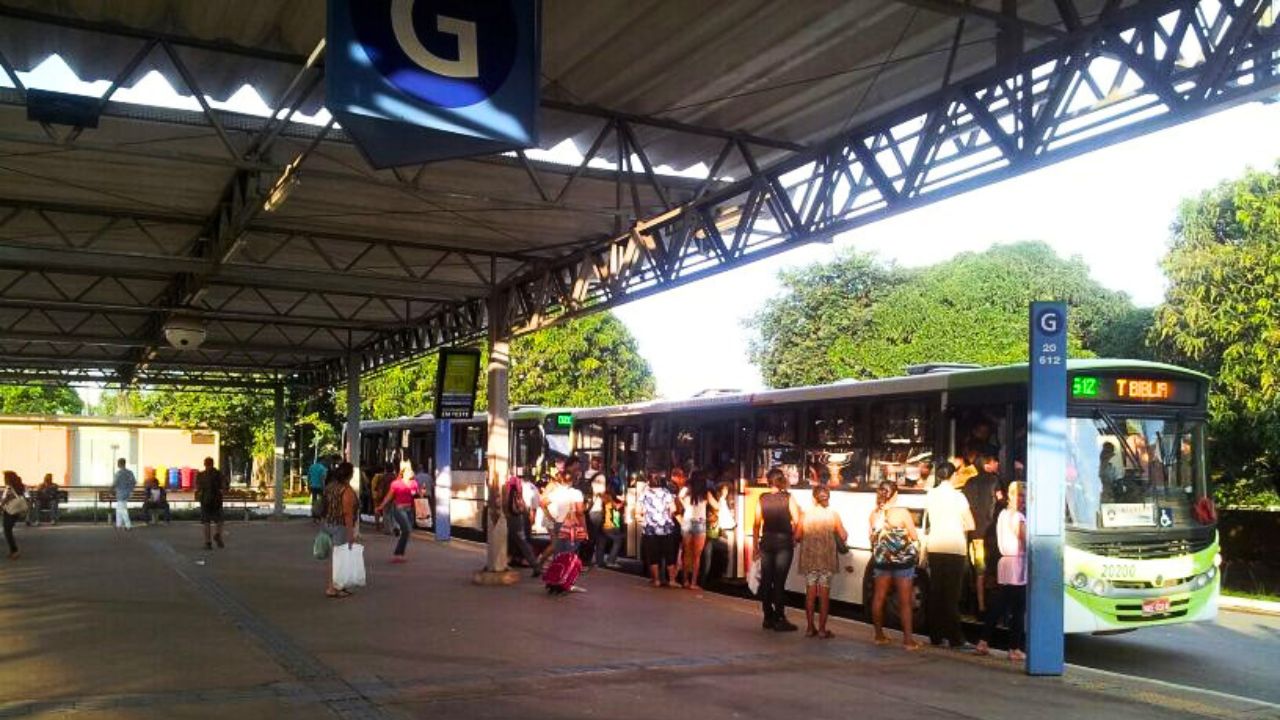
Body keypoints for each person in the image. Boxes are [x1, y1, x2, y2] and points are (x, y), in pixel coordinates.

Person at [923, 462, 975, 649]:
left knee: (936, 592)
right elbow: (970, 524)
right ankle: (955, 637)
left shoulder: (930, 494)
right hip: (954, 547)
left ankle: (936, 635)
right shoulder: (958, 496)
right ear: (953, 476)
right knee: (951, 595)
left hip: (935, 546)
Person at [976, 481, 1028, 661]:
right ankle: (1014, 648)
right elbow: (1024, 539)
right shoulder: (1019, 517)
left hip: (1004, 563)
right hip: (1017, 565)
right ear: (1011, 495)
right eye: (1019, 495)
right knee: (1018, 609)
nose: (1022, 499)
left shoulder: (1003, 515)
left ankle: (984, 640)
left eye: (1023, 495)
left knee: (1000, 604)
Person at [869, 480, 922, 650]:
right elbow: (913, 536)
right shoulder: (902, 512)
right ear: (895, 494)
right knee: (905, 601)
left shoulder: (874, 514)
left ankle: (878, 635)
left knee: (879, 597)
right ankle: (908, 641)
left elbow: (872, 538)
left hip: (882, 561)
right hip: (902, 562)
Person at [799, 485, 852, 638]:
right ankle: (822, 630)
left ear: (813, 498)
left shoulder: (805, 515)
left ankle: (810, 628)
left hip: (809, 560)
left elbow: (797, 535)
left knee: (810, 594)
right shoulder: (833, 515)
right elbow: (843, 536)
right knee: (824, 595)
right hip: (827, 560)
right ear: (827, 497)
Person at [753, 467, 802, 631]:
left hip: (766, 541)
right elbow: (797, 520)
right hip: (783, 543)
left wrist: (755, 546)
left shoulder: (762, 498)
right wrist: (795, 537)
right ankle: (780, 618)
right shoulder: (788, 498)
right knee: (779, 582)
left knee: (767, 580)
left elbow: (756, 524)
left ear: (768, 481)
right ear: (781, 481)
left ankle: (767, 617)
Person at [963, 454, 1000, 613]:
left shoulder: (969, 482)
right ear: (987, 465)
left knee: (979, 569)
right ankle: (992, 606)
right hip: (990, 532)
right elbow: (1000, 499)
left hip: (975, 534)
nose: (997, 463)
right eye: (994, 461)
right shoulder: (994, 481)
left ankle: (980, 606)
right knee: (991, 568)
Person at [323, 462, 359, 599]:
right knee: (340, 558)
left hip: (328, 524)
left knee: (334, 558)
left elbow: (324, 506)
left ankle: (334, 586)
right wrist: (351, 534)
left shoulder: (330, 487)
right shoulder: (346, 491)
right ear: (349, 475)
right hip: (340, 527)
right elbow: (347, 514)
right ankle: (334, 588)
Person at [638, 470, 679, 587]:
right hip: (666, 528)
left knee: (653, 555)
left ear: (648, 481)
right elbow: (674, 509)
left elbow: (638, 510)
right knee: (669, 554)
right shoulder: (666, 493)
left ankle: (656, 580)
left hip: (650, 528)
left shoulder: (644, 493)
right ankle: (671, 580)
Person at [377, 460, 421, 563]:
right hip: (399, 509)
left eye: (411, 471)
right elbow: (388, 496)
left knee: (407, 532)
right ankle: (398, 553)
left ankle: (399, 554)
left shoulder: (414, 483)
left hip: (410, 510)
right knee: (407, 530)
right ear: (404, 472)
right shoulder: (396, 484)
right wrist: (381, 506)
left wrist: (421, 494)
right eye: (409, 471)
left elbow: (416, 496)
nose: (411, 472)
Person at [679, 470, 714, 590]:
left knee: (686, 554)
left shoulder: (686, 490)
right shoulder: (706, 493)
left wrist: (685, 506)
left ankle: (685, 581)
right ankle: (694, 583)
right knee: (696, 556)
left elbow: (679, 497)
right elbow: (716, 506)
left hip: (687, 521)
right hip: (700, 522)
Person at [504, 474, 542, 576]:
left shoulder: (509, 489)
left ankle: (535, 565)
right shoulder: (523, 490)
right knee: (522, 542)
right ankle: (534, 564)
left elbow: (505, 505)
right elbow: (526, 507)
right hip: (520, 517)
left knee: (517, 541)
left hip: (512, 519)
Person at [195, 457, 228, 550]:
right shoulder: (218, 474)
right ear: (213, 464)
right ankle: (217, 534)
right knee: (219, 520)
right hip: (217, 500)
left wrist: (198, 496)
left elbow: (198, 488)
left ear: (204, 464)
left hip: (205, 500)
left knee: (206, 522)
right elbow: (225, 485)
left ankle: (208, 542)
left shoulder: (201, 475)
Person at [583, 456, 608, 568]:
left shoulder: (584, 474)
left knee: (593, 535)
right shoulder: (601, 476)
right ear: (599, 464)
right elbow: (601, 493)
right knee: (597, 536)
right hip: (596, 509)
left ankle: (590, 559)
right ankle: (594, 560)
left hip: (585, 509)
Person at [596, 484, 625, 569]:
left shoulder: (602, 501)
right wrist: (623, 502)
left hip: (603, 525)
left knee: (601, 543)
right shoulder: (610, 501)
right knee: (618, 541)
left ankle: (599, 562)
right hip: (610, 526)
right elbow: (617, 506)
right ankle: (611, 561)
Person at [2, 471, 24, 559]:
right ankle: (13, 550)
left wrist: (2, 505)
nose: (4, 480)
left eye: (5, 478)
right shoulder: (18, 486)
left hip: (10, 511)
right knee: (8, 531)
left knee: (7, 531)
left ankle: (14, 550)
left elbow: (6, 499)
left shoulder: (10, 488)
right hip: (15, 511)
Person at [113, 458, 136, 531]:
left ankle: (128, 526)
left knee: (123, 510)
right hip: (127, 493)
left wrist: (110, 489)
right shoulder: (130, 472)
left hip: (120, 493)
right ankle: (118, 525)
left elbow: (115, 483)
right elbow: (134, 482)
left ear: (119, 464)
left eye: (118, 463)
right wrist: (130, 490)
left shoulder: (118, 473)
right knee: (119, 509)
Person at [307, 455, 330, 523]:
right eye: (325, 461)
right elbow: (323, 479)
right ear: (322, 461)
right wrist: (324, 488)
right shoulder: (323, 468)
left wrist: (308, 485)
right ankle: (320, 515)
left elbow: (309, 477)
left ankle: (314, 515)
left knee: (314, 501)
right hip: (320, 487)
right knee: (322, 502)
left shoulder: (312, 467)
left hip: (312, 486)